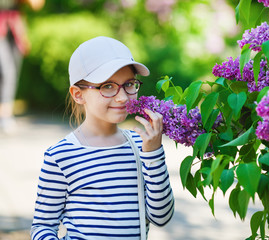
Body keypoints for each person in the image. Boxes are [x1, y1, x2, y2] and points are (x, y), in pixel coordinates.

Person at [30, 36, 174, 240]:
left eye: (129, 84)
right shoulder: (60, 156)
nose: (123, 97)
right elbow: (43, 226)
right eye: (107, 86)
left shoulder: (142, 147)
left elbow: (161, 217)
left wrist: (154, 155)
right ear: (78, 94)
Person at [0, 0, 45, 134]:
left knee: (13, 71)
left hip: (14, 26)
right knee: (5, 70)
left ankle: (5, 115)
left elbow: (37, 5)